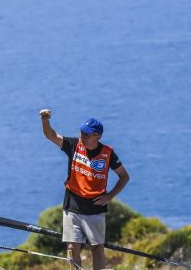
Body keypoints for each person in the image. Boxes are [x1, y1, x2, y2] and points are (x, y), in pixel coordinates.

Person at [40, 109, 130, 270]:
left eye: (87, 134)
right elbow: (50, 135)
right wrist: (45, 120)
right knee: (72, 247)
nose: (82, 136)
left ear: (98, 136)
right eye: (81, 132)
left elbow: (124, 177)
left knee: (97, 249)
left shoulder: (108, 153)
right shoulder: (74, 145)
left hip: (95, 207)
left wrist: (110, 196)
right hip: (72, 204)